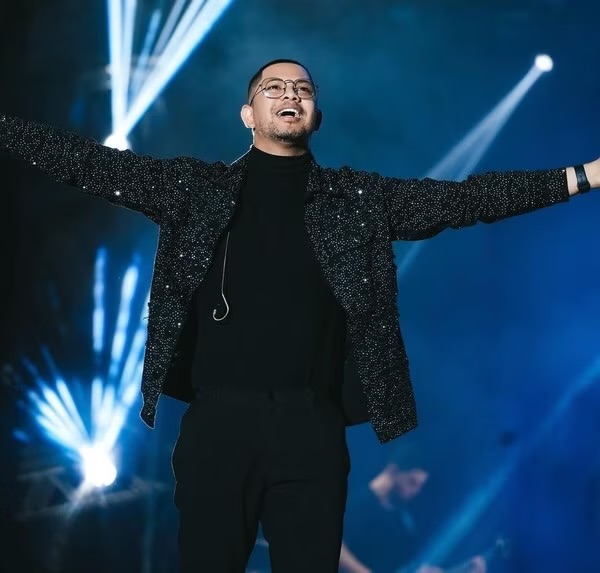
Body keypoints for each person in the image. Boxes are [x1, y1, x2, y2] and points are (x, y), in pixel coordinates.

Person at [0, 57, 598, 573]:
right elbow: (87, 162)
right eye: (274, 87)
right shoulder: (193, 189)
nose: (290, 93)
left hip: (311, 426)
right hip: (217, 422)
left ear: (315, 116)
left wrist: (587, 175)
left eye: (303, 89)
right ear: (248, 113)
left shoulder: (357, 201)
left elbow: (468, 199)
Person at [340, 439, 487, 573]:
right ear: (393, 471)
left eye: (420, 486)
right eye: (412, 482)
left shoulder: (402, 521)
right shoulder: (357, 501)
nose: (416, 491)